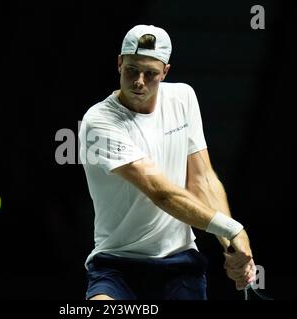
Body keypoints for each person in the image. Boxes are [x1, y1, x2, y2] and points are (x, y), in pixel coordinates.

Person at [78, 24, 256, 300]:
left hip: (179, 265)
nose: (139, 81)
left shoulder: (183, 98)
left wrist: (231, 244)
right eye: (131, 70)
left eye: (150, 73)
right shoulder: (98, 121)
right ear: (119, 63)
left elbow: (203, 179)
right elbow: (160, 192)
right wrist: (234, 229)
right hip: (116, 265)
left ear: (165, 72)